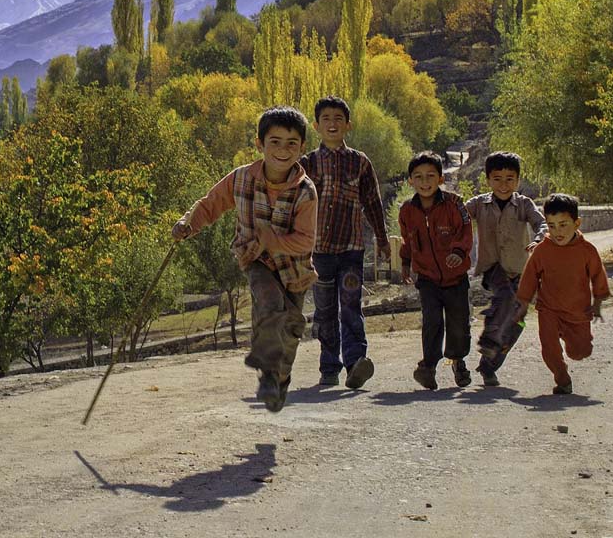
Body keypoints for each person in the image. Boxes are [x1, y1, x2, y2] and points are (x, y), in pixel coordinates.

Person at [173, 106, 318, 412]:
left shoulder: (306, 192)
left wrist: (272, 240)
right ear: (259, 144)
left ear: (302, 147)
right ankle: (268, 374)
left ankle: (280, 379)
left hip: (295, 269)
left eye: (291, 143)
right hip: (256, 259)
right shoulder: (241, 179)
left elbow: (306, 241)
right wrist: (188, 223)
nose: (283, 150)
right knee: (268, 301)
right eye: (274, 142)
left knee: (291, 329)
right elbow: (210, 204)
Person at [298, 96, 390, 389]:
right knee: (325, 310)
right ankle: (329, 367)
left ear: (348, 125)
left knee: (351, 306)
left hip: (351, 250)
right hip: (319, 252)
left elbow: (372, 202)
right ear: (316, 126)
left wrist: (382, 238)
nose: (332, 123)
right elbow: (293, 204)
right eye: (326, 118)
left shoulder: (360, 162)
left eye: (338, 118)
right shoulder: (307, 164)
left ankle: (355, 363)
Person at [465, 152, 547, 386]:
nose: (503, 185)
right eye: (497, 179)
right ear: (488, 180)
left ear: (518, 180)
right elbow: (457, 216)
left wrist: (539, 238)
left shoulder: (524, 204)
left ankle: (489, 365)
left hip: (520, 270)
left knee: (516, 323)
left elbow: (541, 223)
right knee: (505, 297)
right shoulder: (479, 204)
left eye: (509, 179)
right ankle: (489, 340)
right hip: (492, 267)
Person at [513, 194, 609, 395]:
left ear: (577, 223)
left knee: (580, 351)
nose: (557, 231)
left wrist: (598, 303)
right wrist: (522, 305)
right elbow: (529, 277)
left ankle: (573, 341)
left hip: (577, 311)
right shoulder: (542, 250)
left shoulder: (587, 250)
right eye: (552, 225)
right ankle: (562, 379)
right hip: (549, 308)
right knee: (549, 348)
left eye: (563, 225)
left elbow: (598, 275)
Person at [399, 152, 474, 390]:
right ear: (410, 181)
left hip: (456, 278)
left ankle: (458, 361)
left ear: (441, 179)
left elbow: (465, 231)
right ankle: (428, 367)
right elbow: (407, 240)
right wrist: (405, 263)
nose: (425, 182)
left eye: (430, 176)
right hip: (427, 278)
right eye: (418, 177)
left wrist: (459, 252)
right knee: (432, 321)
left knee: (458, 323)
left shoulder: (454, 204)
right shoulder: (407, 210)